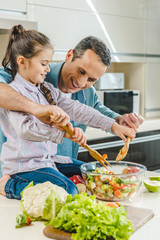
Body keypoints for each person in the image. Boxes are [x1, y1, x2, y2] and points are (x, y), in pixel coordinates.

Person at [0, 25, 136, 199]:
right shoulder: (13, 92)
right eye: (43, 64)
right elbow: (25, 129)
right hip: (25, 166)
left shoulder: (45, 88)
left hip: (47, 160)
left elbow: (78, 109)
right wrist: (63, 133)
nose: (48, 69)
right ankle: (10, 186)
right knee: (68, 190)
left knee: (93, 173)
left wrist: (113, 125)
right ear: (22, 62)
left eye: (48, 64)